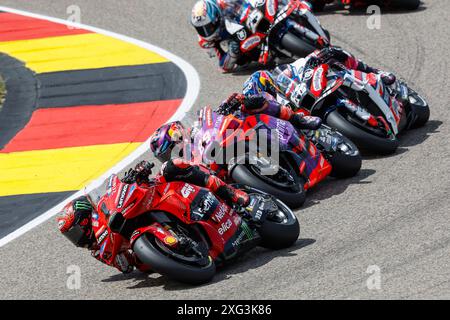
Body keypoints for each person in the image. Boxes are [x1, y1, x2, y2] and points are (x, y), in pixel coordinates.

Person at [57, 159, 249, 274]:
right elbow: (125, 267)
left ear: (84, 220)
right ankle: (189, 249)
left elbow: (119, 188)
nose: (77, 239)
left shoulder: (104, 206)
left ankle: (231, 193)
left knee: (172, 167)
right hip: (156, 247)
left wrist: (137, 174)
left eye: (74, 232)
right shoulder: (99, 250)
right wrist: (126, 257)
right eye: (71, 236)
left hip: (157, 197)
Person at [243, 46, 396, 98]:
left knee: (332, 53)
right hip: (311, 110)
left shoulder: (281, 74)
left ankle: (375, 72)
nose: (267, 98)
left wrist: (315, 59)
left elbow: (300, 65)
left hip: (313, 79)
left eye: (265, 93)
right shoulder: (274, 108)